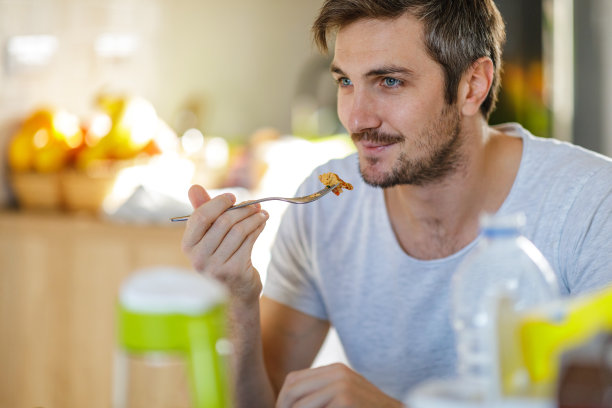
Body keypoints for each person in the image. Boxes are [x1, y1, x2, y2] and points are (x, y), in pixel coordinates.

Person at [181, 0, 612, 407]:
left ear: (472, 85)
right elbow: (267, 400)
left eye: (390, 81)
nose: (356, 118)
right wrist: (236, 300)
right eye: (345, 81)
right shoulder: (325, 205)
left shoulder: (592, 205)